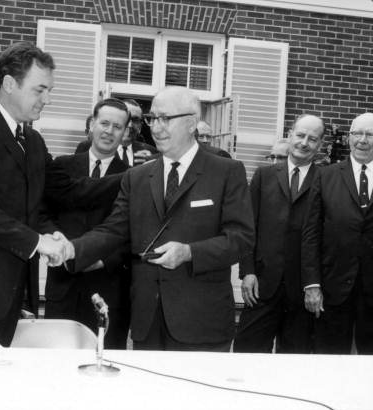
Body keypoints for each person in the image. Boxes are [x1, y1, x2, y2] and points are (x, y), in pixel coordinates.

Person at [0, 41, 121, 346]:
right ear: (9, 84)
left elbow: (45, 202)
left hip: (10, 296)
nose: (48, 100)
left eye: (49, 91)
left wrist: (54, 234)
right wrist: (38, 242)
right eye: (40, 90)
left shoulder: (33, 141)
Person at [62, 86, 254, 351]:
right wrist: (70, 249)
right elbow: (113, 230)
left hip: (202, 322)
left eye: (165, 118)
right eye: (153, 119)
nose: (156, 127)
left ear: (190, 123)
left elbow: (241, 239)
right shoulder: (137, 177)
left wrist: (189, 252)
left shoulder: (226, 171)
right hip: (146, 321)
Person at [234, 115, 325, 353]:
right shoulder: (264, 177)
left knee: (295, 364)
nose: (304, 143)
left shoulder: (326, 179)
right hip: (262, 285)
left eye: (312, 139)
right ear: (290, 133)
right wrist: (248, 272)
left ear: (320, 144)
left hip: (302, 292)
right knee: (247, 355)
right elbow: (248, 227)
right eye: (300, 135)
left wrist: (315, 284)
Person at [44, 98, 131, 348]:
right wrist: (56, 241)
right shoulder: (61, 167)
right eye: (104, 123)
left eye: (117, 126)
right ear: (92, 124)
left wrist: (105, 259)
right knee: (56, 359)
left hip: (107, 285)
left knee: (104, 357)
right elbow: (42, 213)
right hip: (63, 283)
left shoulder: (134, 178)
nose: (109, 131)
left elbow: (134, 231)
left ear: (125, 133)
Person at [302, 112, 373, 354]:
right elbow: (311, 233)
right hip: (333, 290)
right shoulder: (326, 176)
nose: (362, 140)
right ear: (349, 138)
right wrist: (312, 284)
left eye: (370, 134)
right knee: (329, 364)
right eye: (357, 133)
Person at [76, 99, 157, 166]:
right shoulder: (88, 147)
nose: (130, 125)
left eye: (135, 120)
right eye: (127, 119)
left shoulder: (152, 153)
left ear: (140, 126)